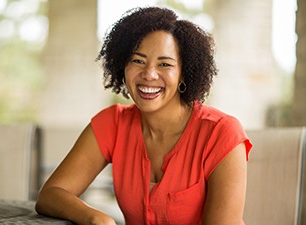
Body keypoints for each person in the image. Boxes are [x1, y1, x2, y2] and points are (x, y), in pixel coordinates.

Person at [35, 6, 252, 225]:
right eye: (138, 60)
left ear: (184, 73)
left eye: (165, 64)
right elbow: (51, 193)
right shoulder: (113, 124)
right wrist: (95, 218)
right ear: (123, 66)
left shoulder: (221, 133)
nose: (149, 74)